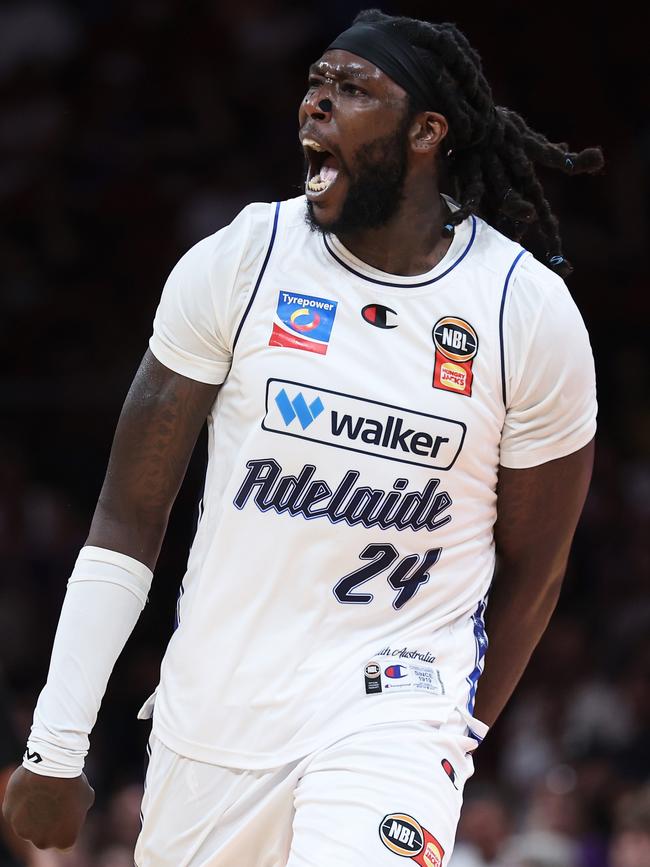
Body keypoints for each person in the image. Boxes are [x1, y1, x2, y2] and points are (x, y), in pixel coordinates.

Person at [3, 8, 603, 866]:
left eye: (352, 89)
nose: (315, 105)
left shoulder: (525, 313)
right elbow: (127, 515)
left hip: (394, 710)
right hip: (214, 720)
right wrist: (55, 746)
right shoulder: (242, 259)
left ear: (427, 131)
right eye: (315, 84)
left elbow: (536, 570)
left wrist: (452, 729)